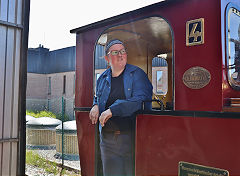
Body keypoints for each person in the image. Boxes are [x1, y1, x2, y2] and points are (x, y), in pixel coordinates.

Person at [89, 39, 153, 176]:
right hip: (107, 140)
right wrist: (95, 105)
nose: (120, 55)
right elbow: (98, 96)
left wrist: (113, 110)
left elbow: (140, 99)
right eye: (115, 52)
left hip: (131, 139)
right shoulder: (102, 78)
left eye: (123, 51)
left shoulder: (137, 74)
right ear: (107, 58)